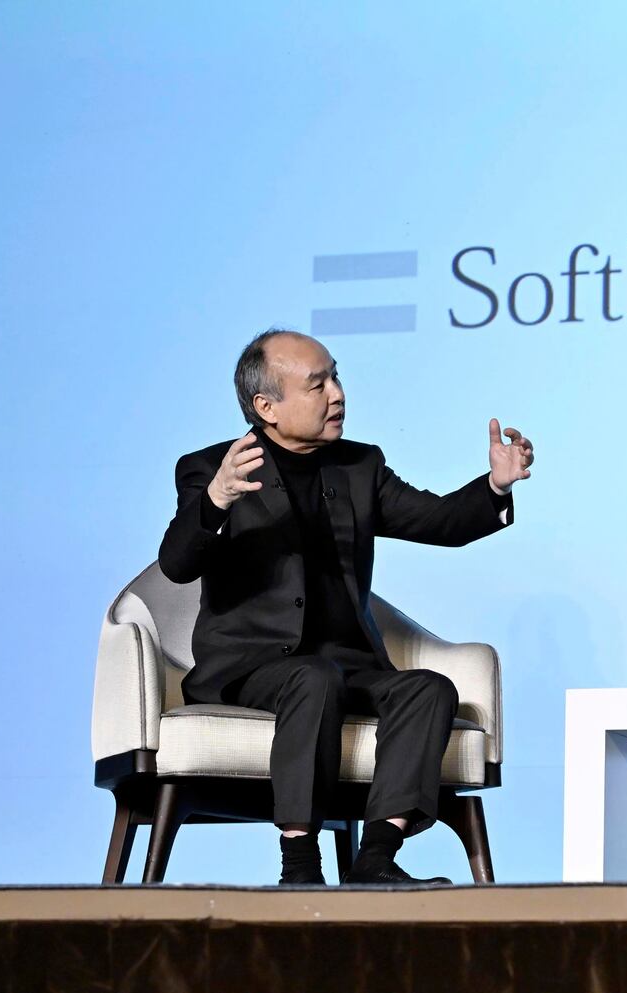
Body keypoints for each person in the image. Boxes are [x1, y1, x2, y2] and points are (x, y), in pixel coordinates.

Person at [158, 328, 534, 886]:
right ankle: (300, 865)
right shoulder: (214, 468)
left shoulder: (359, 466)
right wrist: (216, 500)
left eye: (336, 376)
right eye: (317, 384)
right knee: (312, 678)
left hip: (349, 664)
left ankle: (377, 857)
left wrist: (496, 488)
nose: (337, 393)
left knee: (428, 688)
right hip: (253, 668)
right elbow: (177, 563)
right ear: (267, 406)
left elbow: (437, 522)